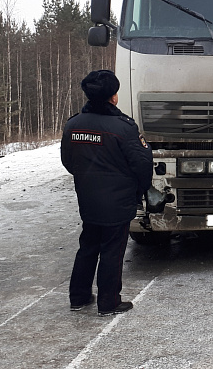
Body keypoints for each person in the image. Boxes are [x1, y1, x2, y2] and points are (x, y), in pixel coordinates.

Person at [61, 70, 152, 316]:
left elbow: (68, 161)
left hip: (88, 199)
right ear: (113, 97)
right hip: (118, 200)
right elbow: (142, 164)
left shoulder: (73, 124)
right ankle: (109, 302)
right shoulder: (123, 127)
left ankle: (78, 297)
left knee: (88, 246)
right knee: (112, 250)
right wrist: (141, 189)